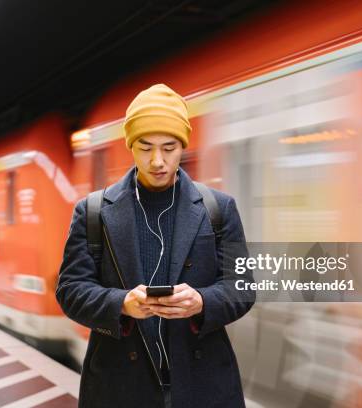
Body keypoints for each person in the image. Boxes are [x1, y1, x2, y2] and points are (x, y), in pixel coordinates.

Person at [56, 83, 255, 407]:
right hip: (119, 390)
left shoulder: (218, 208)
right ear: (131, 146)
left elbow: (243, 288)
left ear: (183, 146)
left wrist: (201, 301)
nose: (158, 160)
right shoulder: (93, 211)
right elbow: (69, 290)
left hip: (203, 387)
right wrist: (121, 303)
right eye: (145, 147)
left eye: (169, 147)